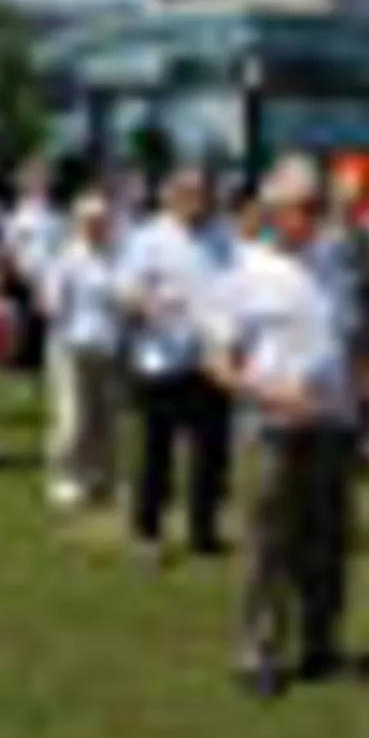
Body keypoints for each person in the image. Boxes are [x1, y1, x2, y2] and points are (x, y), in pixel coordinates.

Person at [206, 157, 366, 700]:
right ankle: (258, 654)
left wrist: (365, 381)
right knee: (266, 546)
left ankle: (322, 644)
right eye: (306, 206)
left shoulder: (334, 262)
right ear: (275, 212)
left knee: (328, 542)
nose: (317, 214)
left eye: (320, 204)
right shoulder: (243, 273)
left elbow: (347, 335)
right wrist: (273, 393)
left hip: (334, 425)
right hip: (270, 428)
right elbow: (218, 362)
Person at [117, 168, 236, 561]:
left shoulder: (224, 237)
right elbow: (126, 290)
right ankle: (146, 531)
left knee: (211, 453)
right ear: (169, 197)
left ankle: (204, 530)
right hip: (160, 360)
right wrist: (148, 305)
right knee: (156, 454)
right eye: (187, 193)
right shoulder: (148, 238)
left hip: (210, 359)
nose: (196, 201)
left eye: (202, 194)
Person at [42, 193, 127, 510]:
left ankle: (102, 476)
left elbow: (124, 296)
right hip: (72, 345)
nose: (97, 227)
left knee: (106, 417)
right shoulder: (67, 258)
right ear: (78, 224)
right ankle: (66, 476)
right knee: (73, 416)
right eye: (90, 221)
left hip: (109, 346)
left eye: (103, 221)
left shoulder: (116, 256)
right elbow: (51, 303)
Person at [2, 162, 66, 376]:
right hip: (25, 274)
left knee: (45, 321)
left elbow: (61, 248)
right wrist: (12, 272)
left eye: (44, 181)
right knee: (23, 319)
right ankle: (22, 361)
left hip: (50, 275)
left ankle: (41, 361)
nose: (41, 186)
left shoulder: (57, 217)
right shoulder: (19, 216)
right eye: (36, 182)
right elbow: (11, 247)